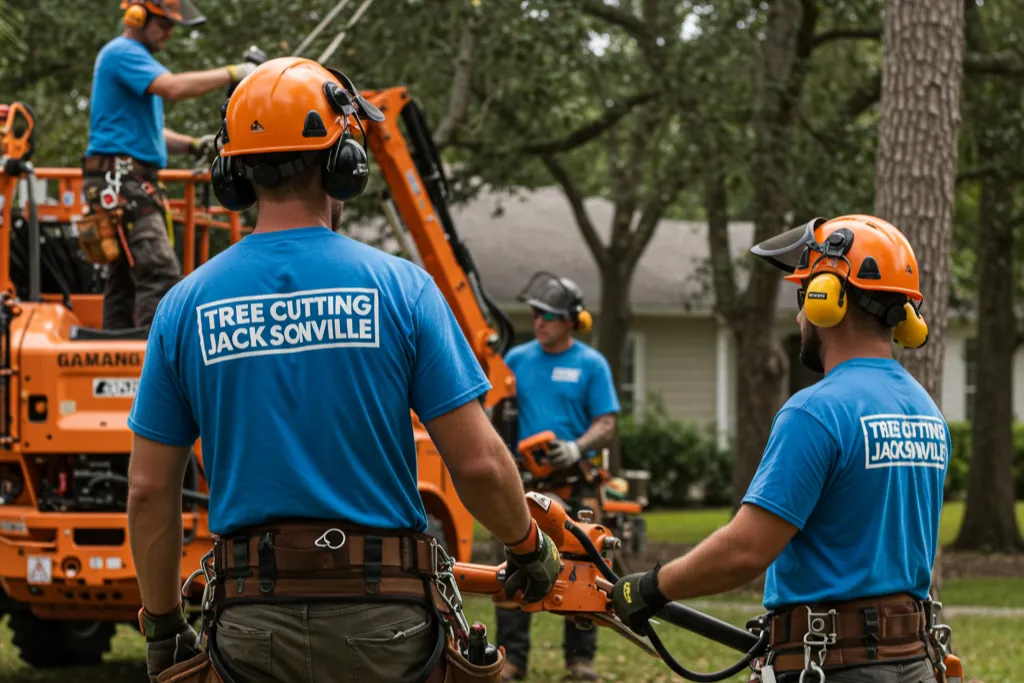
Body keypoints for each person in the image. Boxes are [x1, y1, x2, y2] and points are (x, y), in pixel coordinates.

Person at [125, 57, 562, 683]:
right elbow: (479, 464)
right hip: (385, 623)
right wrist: (528, 546)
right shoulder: (402, 289)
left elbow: (147, 491)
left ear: (231, 171)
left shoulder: (185, 307)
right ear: (344, 163)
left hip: (250, 623)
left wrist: (165, 623)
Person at [611, 215, 949, 683]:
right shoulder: (926, 411)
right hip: (915, 663)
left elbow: (746, 550)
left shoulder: (816, 412)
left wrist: (650, 588)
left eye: (802, 295)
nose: (798, 316)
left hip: (834, 668)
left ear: (826, 298)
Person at [82, 0, 259, 330]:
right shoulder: (123, 52)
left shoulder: (134, 62)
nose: (169, 33)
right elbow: (173, 88)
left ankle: (120, 361)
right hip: (122, 181)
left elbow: (147, 135)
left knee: (125, 281)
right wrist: (235, 72)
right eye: (163, 24)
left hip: (123, 178)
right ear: (138, 17)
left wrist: (193, 145)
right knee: (160, 271)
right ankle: (153, 360)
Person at [497, 272, 620, 682]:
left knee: (582, 569)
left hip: (574, 482)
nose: (539, 323)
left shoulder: (590, 363)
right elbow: (498, 413)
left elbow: (606, 422)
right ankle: (512, 660)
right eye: (535, 315)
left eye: (548, 316)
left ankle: (580, 661)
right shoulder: (516, 360)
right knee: (514, 566)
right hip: (526, 484)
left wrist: (575, 446)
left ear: (572, 320)